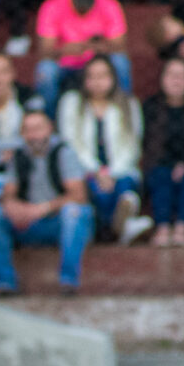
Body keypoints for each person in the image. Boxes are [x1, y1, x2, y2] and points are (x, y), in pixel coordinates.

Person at [0, 103, 90, 294]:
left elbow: (78, 195)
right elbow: (7, 194)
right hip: (28, 222)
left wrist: (41, 209)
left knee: (74, 213)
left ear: (49, 129)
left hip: (57, 220)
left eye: (38, 129)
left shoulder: (63, 152)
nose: (33, 136)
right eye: (28, 130)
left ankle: (68, 281)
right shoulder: (19, 155)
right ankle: (5, 282)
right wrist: (14, 207)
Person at [58, 55, 146, 244]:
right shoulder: (71, 102)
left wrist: (111, 172)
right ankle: (121, 229)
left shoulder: (128, 104)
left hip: (120, 169)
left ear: (113, 78)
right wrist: (97, 170)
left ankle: (119, 222)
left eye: (103, 76)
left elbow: (132, 146)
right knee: (99, 192)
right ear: (84, 79)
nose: (98, 82)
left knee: (124, 187)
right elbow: (71, 143)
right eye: (92, 76)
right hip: (85, 169)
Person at [141, 57, 184, 248]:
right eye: (171, 75)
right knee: (160, 175)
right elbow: (149, 144)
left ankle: (182, 227)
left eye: (182, 76)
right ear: (162, 79)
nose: (176, 81)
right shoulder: (151, 107)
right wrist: (171, 163)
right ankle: (162, 227)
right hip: (160, 163)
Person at [33, 0, 129, 105]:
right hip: (65, 63)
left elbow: (120, 45)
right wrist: (65, 50)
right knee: (46, 69)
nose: (83, 5)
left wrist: (93, 47)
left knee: (120, 62)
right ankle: (47, 120)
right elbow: (45, 51)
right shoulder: (52, 5)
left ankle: (124, 110)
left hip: (98, 62)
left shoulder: (109, 4)